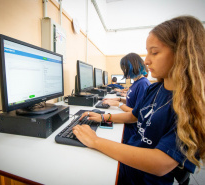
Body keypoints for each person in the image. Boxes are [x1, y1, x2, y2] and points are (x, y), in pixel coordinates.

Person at [73, 15, 205, 185]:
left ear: (182, 54)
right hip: (129, 161)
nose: (146, 61)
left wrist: (96, 141)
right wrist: (104, 117)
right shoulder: (154, 89)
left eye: (154, 52)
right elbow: (133, 116)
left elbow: (160, 163)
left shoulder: (189, 105)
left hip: (144, 178)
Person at [103, 53, 151, 143]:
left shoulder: (143, 84)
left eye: (125, 69)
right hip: (128, 123)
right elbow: (132, 101)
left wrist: (118, 104)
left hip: (132, 129)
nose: (123, 72)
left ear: (133, 67)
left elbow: (137, 114)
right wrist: (118, 99)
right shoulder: (137, 82)